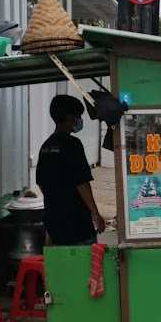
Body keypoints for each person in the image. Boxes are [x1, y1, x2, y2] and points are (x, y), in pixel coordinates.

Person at [36, 95, 105, 244]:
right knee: (85, 264)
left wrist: (57, 199)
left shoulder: (46, 146)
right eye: (78, 116)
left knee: (62, 265)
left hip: (54, 223)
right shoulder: (72, 144)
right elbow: (82, 183)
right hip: (77, 223)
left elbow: (41, 183)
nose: (80, 120)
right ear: (69, 117)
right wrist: (95, 214)